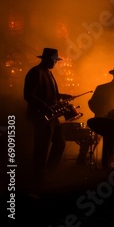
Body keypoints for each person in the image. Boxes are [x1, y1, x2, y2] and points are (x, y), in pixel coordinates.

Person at [23, 47, 73, 195]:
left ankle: (47, 174)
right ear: (46, 59)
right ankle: (38, 180)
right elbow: (28, 96)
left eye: (56, 60)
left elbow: (52, 94)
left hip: (51, 117)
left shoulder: (48, 73)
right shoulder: (35, 73)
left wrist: (62, 95)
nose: (55, 63)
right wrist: (44, 106)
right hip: (41, 117)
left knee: (60, 143)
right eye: (54, 60)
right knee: (41, 148)